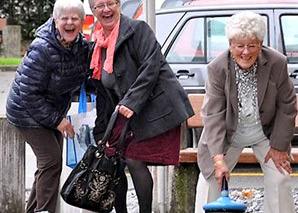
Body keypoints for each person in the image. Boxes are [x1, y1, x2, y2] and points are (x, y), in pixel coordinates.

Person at [87, 0, 194, 212]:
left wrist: (132, 101)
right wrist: (101, 131)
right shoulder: (98, 44)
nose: (106, 9)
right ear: (93, 11)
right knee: (112, 159)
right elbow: (103, 93)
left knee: (134, 160)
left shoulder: (138, 29)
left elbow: (151, 66)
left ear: (119, 5)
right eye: (100, 6)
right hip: (126, 113)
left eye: (111, 3)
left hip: (155, 108)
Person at [194, 11, 297, 213]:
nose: (245, 52)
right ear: (230, 45)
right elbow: (213, 115)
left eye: (252, 45)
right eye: (239, 46)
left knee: (279, 175)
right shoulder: (217, 68)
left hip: (264, 132)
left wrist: (279, 146)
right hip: (228, 133)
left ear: (261, 44)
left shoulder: (277, 62)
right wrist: (218, 158)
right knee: (210, 178)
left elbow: (287, 104)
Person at [5, 0, 90, 212]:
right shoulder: (41, 48)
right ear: (55, 20)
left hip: (52, 109)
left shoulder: (82, 46)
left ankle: (35, 210)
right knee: (51, 161)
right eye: (64, 18)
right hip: (25, 110)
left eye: (75, 18)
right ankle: (45, 210)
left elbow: (86, 77)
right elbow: (28, 92)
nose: (69, 22)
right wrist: (57, 121)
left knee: (49, 166)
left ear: (82, 22)